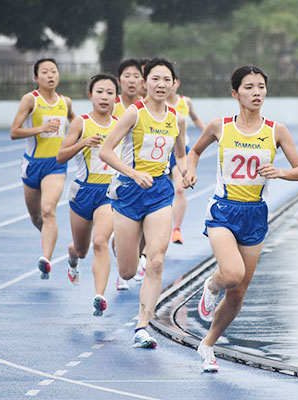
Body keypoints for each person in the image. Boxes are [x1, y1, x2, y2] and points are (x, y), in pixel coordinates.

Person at [182, 66, 298, 372]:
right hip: (223, 210)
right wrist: (190, 170)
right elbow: (194, 151)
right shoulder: (220, 126)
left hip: (255, 214)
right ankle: (211, 285)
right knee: (232, 273)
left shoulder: (276, 131)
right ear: (235, 93)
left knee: (238, 294)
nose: (256, 93)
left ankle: (208, 344)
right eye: (249, 87)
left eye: (261, 87)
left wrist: (280, 172)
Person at [100, 58, 187, 348]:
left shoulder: (177, 118)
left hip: (159, 193)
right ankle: (126, 248)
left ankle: (141, 327)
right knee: (126, 270)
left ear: (174, 83)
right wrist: (133, 173)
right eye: (155, 79)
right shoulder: (133, 114)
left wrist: (187, 172)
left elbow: (180, 156)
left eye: (167, 80)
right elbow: (106, 151)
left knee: (157, 261)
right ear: (144, 83)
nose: (161, 85)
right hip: (128, 192)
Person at [56, 74, 120, 316]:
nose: (104, 97)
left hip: (108, 193)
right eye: (100, 92)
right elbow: (60, 157)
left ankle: (100, 296)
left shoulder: (121, 124)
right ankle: (72, 256)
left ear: (116, 96)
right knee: (82, 250)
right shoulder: (80, 123)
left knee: (100, 241)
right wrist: (82, 143)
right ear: (90, 95)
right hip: (83, 193)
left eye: (110, 92)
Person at [10, 58, 76, 279]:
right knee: (36, 217)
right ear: (36, 78)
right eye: (45, 72)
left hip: (55, 165)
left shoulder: (65, 102)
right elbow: (14, 132)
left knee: (49, 210)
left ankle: (46, 259)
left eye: (54, 71)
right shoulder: (31, 100)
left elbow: (76, 123)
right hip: (32, 165)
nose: (50, 75)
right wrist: (41, 128)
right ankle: (48, 237)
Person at [113, 58, 147, 290]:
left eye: (137, 76)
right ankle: (124, 265)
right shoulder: (109, 104)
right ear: (119, 80)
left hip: (145, 177)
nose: (132, 80)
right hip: (113, 176)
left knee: (145, 226)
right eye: (127, 75)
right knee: (120, 232)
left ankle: (139, 258)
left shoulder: (149, 107)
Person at [166, 76, 206, 245]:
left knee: (180, 190)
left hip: (180, 150)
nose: (170, 86)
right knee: (163, 192)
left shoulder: (185, 102)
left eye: (172, 82)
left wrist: (207, 133)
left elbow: (195, 118)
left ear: (177, 83)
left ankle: (176, 230)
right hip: (161, 152)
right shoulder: (155, 103)